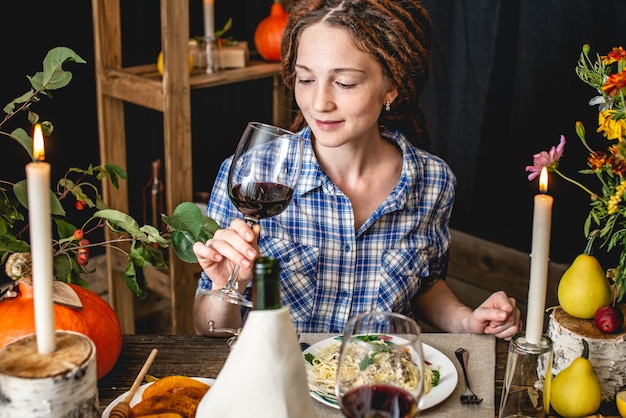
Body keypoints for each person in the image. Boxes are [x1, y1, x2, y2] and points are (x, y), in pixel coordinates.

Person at [192, 0, 521, 340]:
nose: (319, 103)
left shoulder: (433, 182)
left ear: (391, 87)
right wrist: (224, 286)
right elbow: (208, 328)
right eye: (305, 79)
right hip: (283, 381)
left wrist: (467, 320)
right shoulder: (249, 174)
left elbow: (425, 286)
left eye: (345, 83)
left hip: (381, 381)